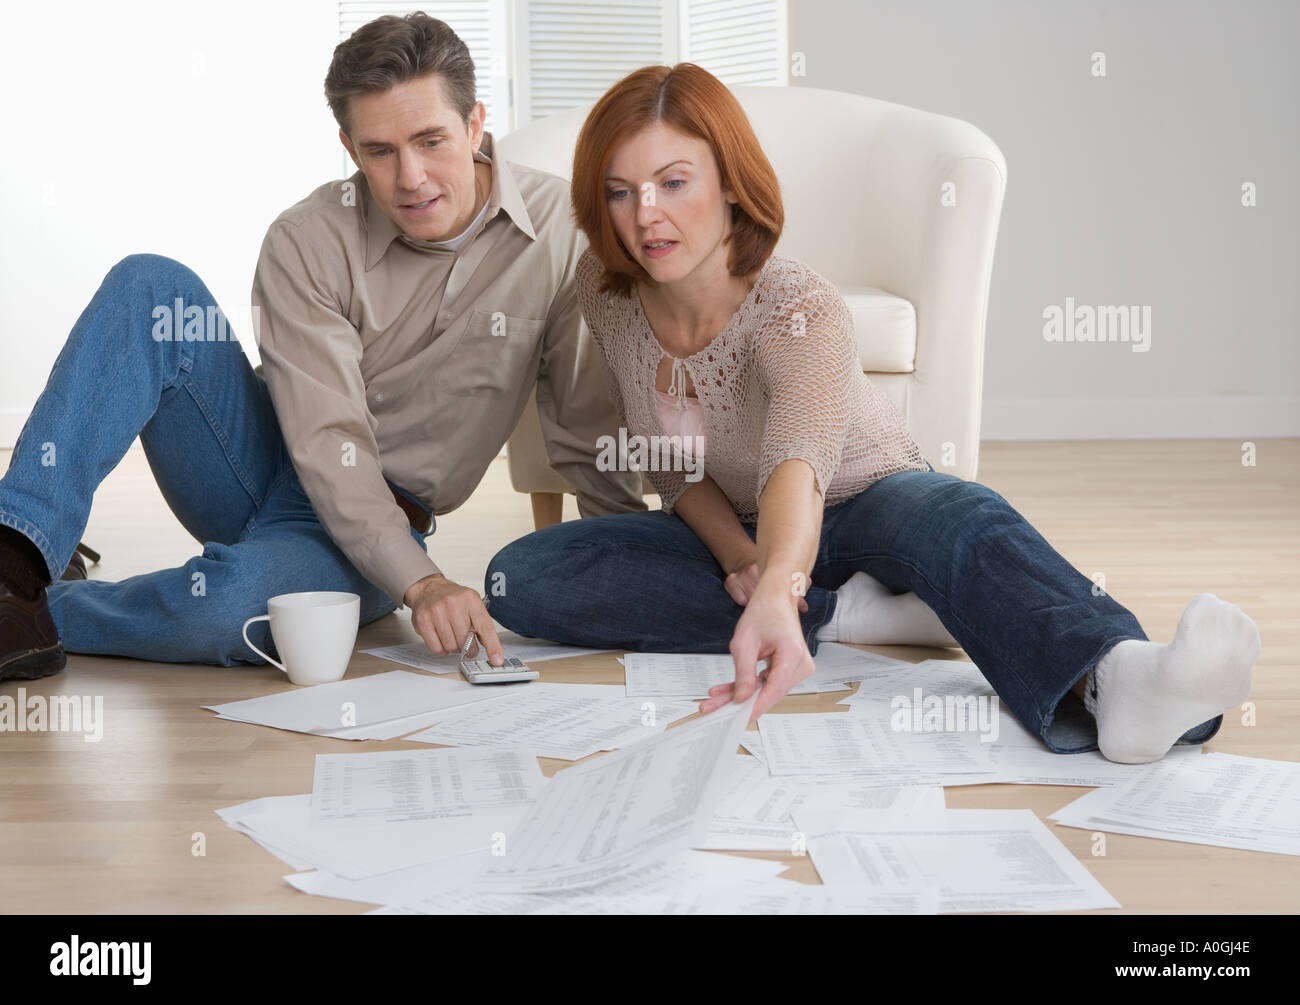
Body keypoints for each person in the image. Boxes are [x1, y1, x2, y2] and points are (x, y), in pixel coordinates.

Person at [485, 63, 1262, 763]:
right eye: (620, 191)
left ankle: (1119, 681)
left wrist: (777, 576)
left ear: (728, 181)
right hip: (748, 528)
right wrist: (743, 563)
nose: (645, 215)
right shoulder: (607, 288)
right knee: (524, 575)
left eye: (674, 182)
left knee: (958, 514)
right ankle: (856, 613)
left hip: (865, 499)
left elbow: (798, 463)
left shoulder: (799, 307)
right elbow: (668, 464)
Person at [0, 13, 642, 679]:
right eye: (380, 151)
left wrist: (630, 563)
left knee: (230, 612)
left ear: (476, 123)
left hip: (371, 521)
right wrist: (423, 587)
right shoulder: (306, 237)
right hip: (251, 463)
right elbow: (327, 437)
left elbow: (583, 424)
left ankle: (44, 605)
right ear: (349, 144)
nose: (412, 178)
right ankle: (14, 560)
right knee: (150, 286)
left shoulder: (566, 236)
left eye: (431, 140)